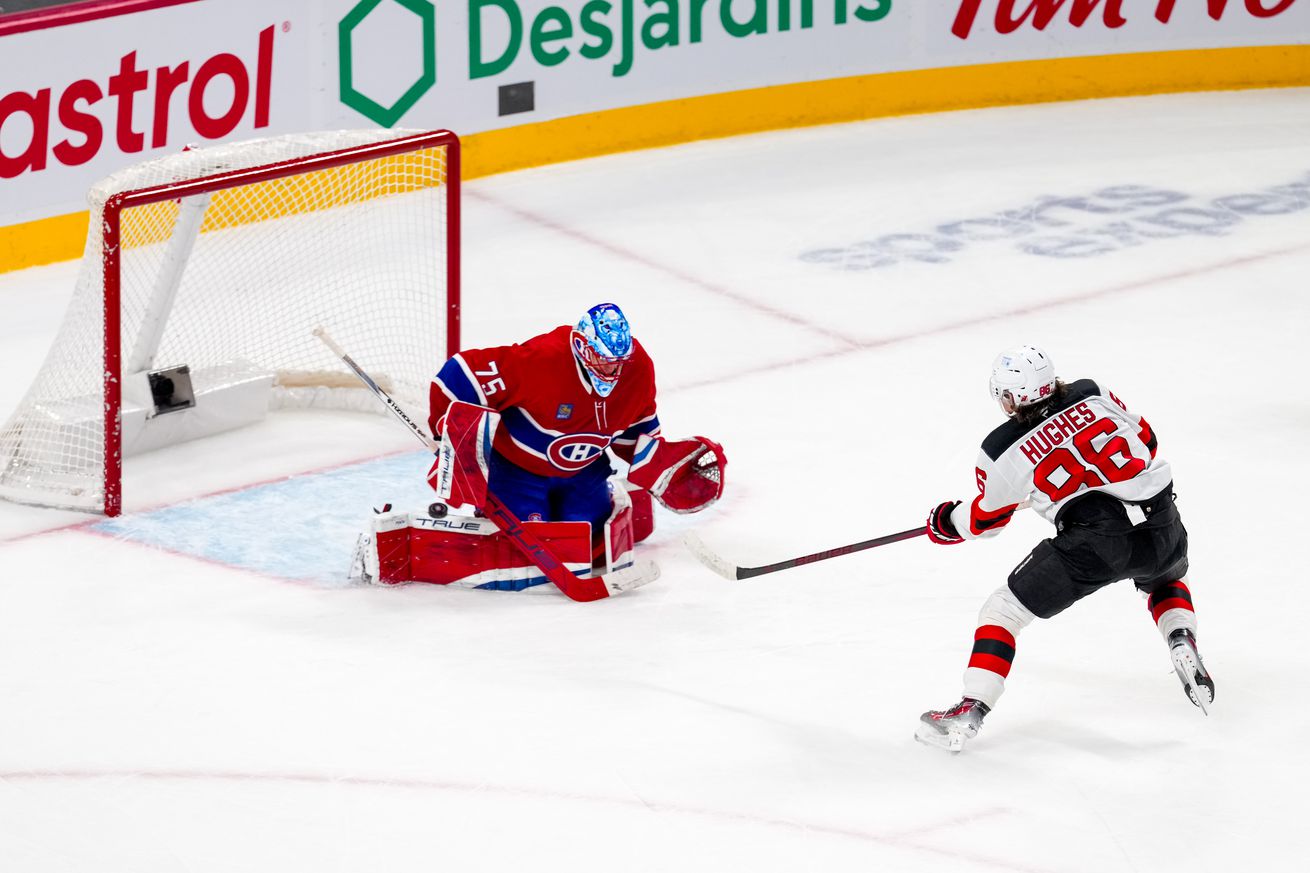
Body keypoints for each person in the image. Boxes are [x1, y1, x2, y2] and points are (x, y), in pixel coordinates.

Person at [916, 345, 1212, 752]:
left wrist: (948, 520)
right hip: (1160, 520)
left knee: (1003, 611)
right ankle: (1180, 637)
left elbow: (987, 521)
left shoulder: (1001, 447)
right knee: (1163, 577)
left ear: (1013, 397)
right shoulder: (1092, 392)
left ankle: (972, 706)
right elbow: (1147, 441)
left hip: (1094, 540)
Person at [427, 302, 725, 530]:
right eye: (604, 360)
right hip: (517, 469)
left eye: (618, 361)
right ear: (583, 347)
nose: (613, 370)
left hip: (583, 469)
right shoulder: (543, 359)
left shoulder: (638, 369)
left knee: (585, 529)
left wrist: (659, 465)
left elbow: (636, 426)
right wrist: (451, 441)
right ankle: (501, 506)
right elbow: (460, 374)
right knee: (527, 535)